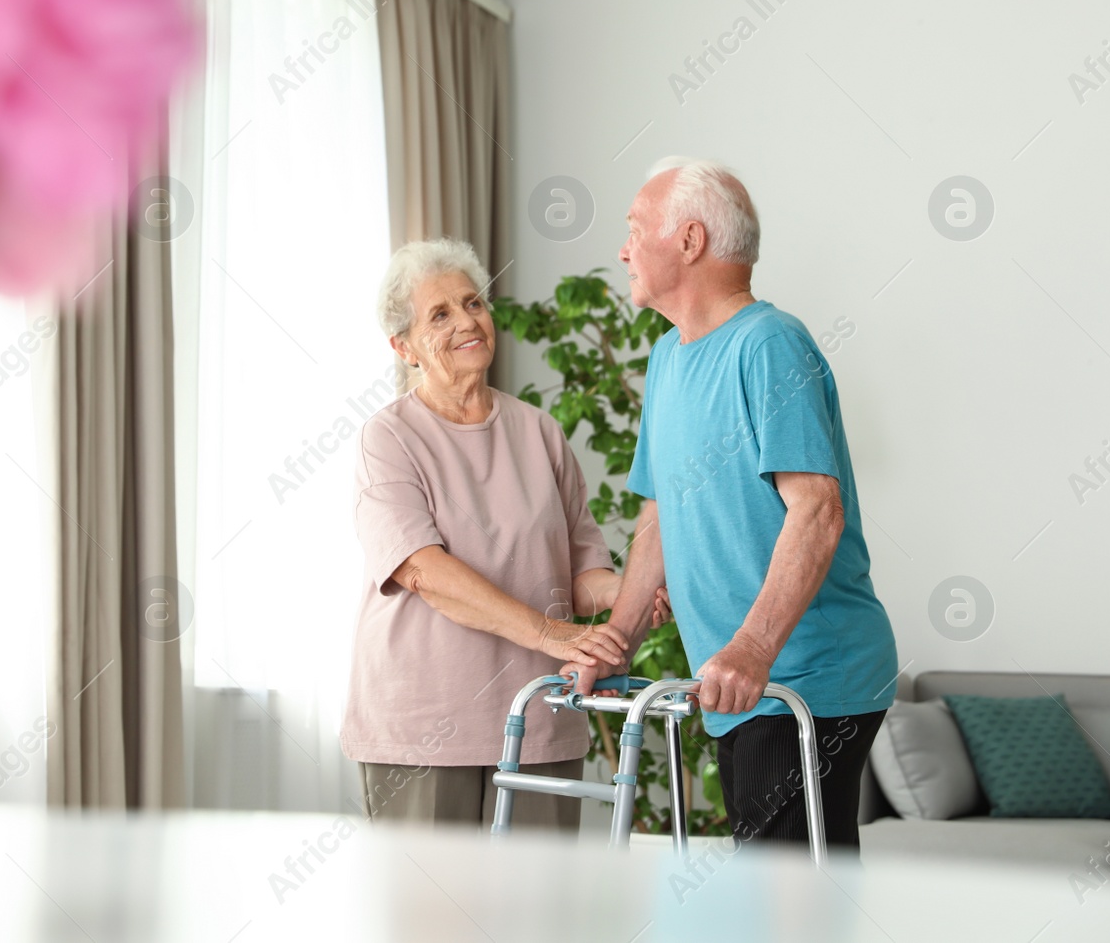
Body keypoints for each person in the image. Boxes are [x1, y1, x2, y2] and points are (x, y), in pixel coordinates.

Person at [570, 157, 898, 851]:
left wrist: (751, 649)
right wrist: (620, 638)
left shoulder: (769, 344)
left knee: (788, 899)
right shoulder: (668, 358)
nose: (623, 250)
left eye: (635, 230)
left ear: (689, 241)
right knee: (785, 894)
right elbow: (658, 520)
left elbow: (817, 510)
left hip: (803, 678)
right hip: (744, 682)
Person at [342, 238, 632, 832]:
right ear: (404, 347)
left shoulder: (541, 433)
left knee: (535, 918)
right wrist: (555, 635)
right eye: (440, 314)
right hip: (423, 726)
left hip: (540, 716)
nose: (467, 320)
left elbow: (580, 575)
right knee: (432, 921)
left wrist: (635, 591)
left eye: (473, 303)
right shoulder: (388, 438)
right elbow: (425, 572)